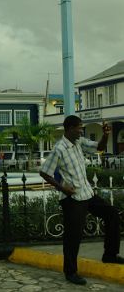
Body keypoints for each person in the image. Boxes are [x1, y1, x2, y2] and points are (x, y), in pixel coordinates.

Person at [40, 115, 123, 286]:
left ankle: (110, 255)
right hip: (72, 197)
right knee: (73, 235)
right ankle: (70, 272)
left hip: (87, 192)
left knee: (112, 214)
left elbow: (99, 147)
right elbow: (45, 172)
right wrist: (63, 188)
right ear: (69, 128)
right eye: (79, 127)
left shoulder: (78, 142)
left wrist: (106, 134)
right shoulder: (59, 149)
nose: (81, 130)